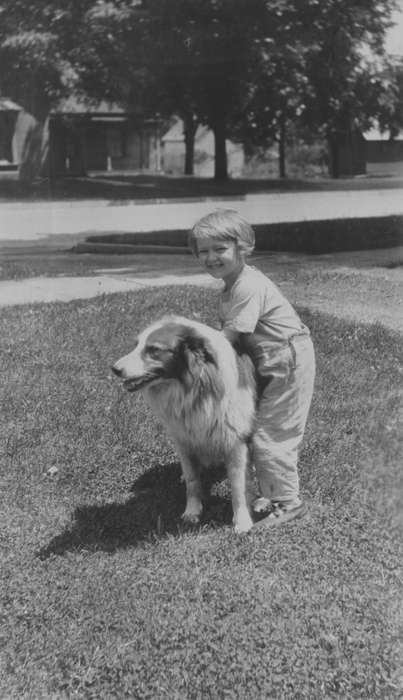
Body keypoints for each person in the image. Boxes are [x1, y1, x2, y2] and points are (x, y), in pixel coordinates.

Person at [188, 209, 315, 526]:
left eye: (220, 249)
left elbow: (228, 339)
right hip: (267, 359)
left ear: (242, 247)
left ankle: (288, 502)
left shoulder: (247, 286)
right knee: (257, 426)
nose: (211, 257)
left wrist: (190, 352)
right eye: (203, 251)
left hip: (287, 359)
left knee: (273, 433)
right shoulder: (231, 286)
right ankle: (270, 491)